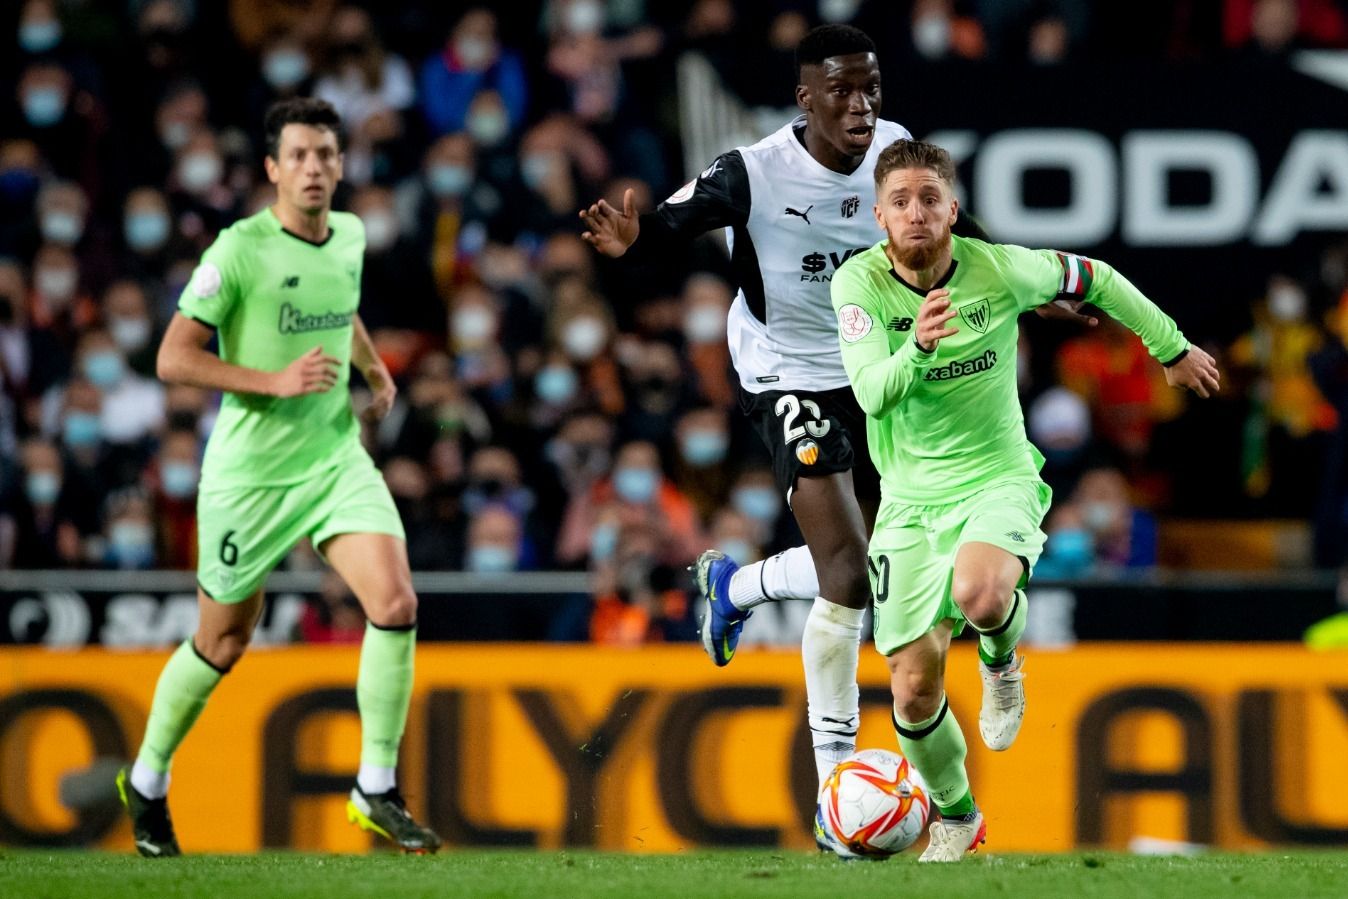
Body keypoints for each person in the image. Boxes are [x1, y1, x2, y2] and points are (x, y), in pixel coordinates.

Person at [578, 24, 1095, 798]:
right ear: (805, 98)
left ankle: (737, 588)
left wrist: (1031, 288)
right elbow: (665, 224)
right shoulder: (752, 173)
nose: (861, 105)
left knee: (876, 564)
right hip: (787, 373)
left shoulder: (895, 148)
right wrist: (633, 240)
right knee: (848, 574)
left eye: (871, 88)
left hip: (878, 370)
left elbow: (952, 227)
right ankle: (834, 794)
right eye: (843, 91)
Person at [830, 137, 1220, 861]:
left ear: (953, 210)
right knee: (912, 689)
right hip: (909, 500)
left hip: (996, 475)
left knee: (981, 595)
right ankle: (956, 814)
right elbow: (869, 392)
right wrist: (915, 347)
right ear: (880, 217)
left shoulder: (1001, 269)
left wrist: (1169, 348)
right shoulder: (856, 288)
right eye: (900, 202)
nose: (916, 214)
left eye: (929, 200)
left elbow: (1096, 276)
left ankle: (1002, 661)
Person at [115, 98, 441, 857]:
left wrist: (371, 368)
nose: (315, 168)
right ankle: (149, 781)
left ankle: (375, 786)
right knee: (222, 642)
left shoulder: (352, 234)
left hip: (332, 456)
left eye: (326, 154)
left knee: (395, 602)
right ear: (271, 169)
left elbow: (340, 307)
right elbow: (172, 357)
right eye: (298, 155)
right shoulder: (238, 252)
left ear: (341, 164)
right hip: (250, 474)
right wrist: (273, 378)